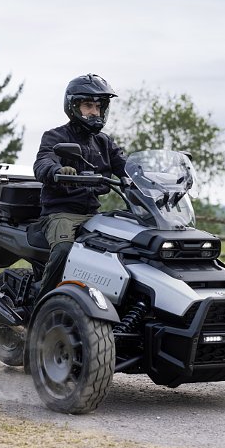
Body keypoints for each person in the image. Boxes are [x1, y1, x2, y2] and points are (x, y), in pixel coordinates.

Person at [32, 73, 128, 298]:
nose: (94, 112)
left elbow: (126, 166)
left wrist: (155, 177)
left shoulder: (104, 142)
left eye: (98, 106)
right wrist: (56, 171)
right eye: (88, 105)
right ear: (73, 106)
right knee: (65, 249)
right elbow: (43, 162)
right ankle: (44, 307)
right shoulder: (55, 136)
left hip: (92, 214)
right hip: (60, 214)